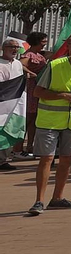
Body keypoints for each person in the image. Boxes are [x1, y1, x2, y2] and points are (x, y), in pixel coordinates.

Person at [27, 37, 71, 216]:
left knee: (67, 160)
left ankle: (57, 198)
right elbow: (37, 92)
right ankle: (39, 201)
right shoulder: (54, 65)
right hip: (50, 120)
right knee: (47, 159)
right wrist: (63, 96)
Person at [0, 37, 24, 170]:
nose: (15, 50)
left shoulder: (18, 64)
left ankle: (3, 160)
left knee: (10, 130)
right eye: (11, 47)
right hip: (2, 103)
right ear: (3, 48)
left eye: (16, 47)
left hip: (14, 104)